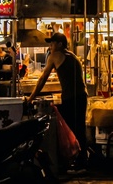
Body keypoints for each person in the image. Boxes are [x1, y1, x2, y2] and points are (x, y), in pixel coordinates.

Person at [26, 33, 88, 174]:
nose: (50, 46)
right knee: (79, 129)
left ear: (60, 44)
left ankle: (78, 164)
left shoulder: (55, 55)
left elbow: (43, 78)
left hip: (71, 97)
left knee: (71, 130)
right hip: (81, 96)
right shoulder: (72, 56)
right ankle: (80, 162)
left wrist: (30, 98)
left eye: (52, 44)